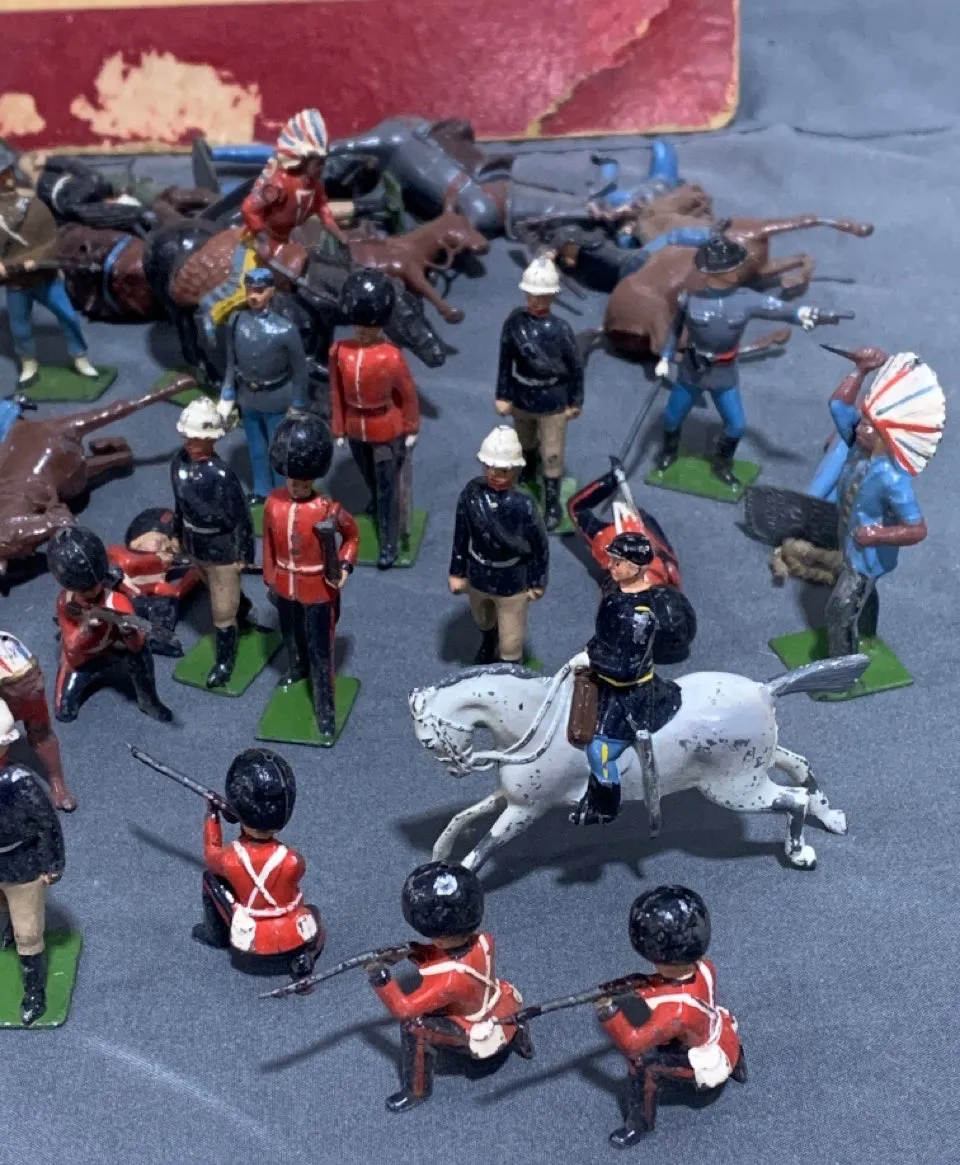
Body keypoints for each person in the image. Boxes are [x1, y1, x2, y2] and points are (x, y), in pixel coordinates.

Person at [654, 223, 834, 486]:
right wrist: (665, 356)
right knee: (672, 417)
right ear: (715, 273)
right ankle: (668, 453)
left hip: (723, 372)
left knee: (736, 424)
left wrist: (802, 314)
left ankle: (722, 464)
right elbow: (675, 329)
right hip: (692, 369)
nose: (737, 271)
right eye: (731, 268)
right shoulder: (689, 299)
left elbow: (778, 308)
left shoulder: (746, 298)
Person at [367, 861, 531, 1112]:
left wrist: (380, 978)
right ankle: (521, 1039)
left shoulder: (449, 981)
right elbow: (446, 954)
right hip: (495, 1003)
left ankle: (416, 1090)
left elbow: (403, 1009)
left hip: (472, 1026)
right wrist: (413, 951)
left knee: (413, 1027)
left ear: (439, 937)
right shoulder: (485, 940)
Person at [595, 886, 744, 1148]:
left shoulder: (677, 1012)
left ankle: (640, 1122)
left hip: (702, 1057)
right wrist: (633, 988)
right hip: (714, 1028)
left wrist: (608, 1012)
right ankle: (740, 1064)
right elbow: (663, 988)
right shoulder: (705, 966)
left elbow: (632, 1042)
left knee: (642, 1063)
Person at [821, 347, 944, 657]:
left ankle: (843, 669)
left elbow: (917, 529)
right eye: (864, 421)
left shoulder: (893, 480)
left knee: (840, 610)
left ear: (887, 437)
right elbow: (838, 405)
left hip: (868, 555)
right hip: (849, 540)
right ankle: (867, 635)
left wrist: (878, 534)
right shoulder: (858, 446)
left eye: (869, 426)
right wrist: (860, 371)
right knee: (863, 594)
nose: (859, 427)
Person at [571, 532, 681, 827]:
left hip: (627, 695)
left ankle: (607, 806)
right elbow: (604, 635)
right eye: (612, 560)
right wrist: (591, 649)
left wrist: (591, 659)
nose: (611, 566)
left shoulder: (641, 617)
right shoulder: (614, 592)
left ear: (636, 567)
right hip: (602, 675)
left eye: (618, 562)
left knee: (599, 752)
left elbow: (626, 670)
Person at [262, 413, 359, 737]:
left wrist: (344, 566)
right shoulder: (273, 504)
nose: (298, 486)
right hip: (285, 584)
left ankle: (325, 707)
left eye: (304, 482)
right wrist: (269, 577)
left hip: (317, 588)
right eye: (294, 481)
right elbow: (269, 544)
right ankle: (296, 667)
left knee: (321, 651)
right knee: (291, 636)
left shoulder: (327, 509)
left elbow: (352, 536)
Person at [195, 748, 324, 980]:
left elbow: (211, 855)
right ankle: (307, 958)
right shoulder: (293, 860)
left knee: (209, 879)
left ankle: (215, 935)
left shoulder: (230, 859)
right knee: (314, 916)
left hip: (252, 931)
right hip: (291, 929)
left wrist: (213, 815)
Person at [329, 269, 419, 569]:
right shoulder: (340, 351)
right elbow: (336, 392)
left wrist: (411, 426)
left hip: (385, 427)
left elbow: (407, 393)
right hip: (355, 425)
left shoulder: (391, 356)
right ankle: (376, 504)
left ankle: (388, 542)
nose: (362, 330)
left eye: (369, 325)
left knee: (387, 488)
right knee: (368, 475)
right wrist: (338, 427)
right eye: (359, 324)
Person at [568, 459, 696, 664]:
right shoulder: (612, 547)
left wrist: (612, 479)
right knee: (576, 509)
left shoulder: (662, 571)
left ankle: (612, 480)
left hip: (643, 537)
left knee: (577, 509)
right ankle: (612, 481)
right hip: (633, 536)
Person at [170, 397, 256, 688]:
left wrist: (244, 553)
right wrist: (176, 534)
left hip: (222, 548)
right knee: (210, 585)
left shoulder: (221, 475)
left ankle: (224, 662)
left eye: (198, 439)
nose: (191, 444)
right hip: (194, 543)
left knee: (221, 610)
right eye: (188, 437)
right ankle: (243, 609)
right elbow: (180, 505)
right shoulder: (179, 464)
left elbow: (241, 517)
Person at [48, 526, 172, 724]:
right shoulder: (66, 603)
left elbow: (136, 645)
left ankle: (149, 701)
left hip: (114, 648)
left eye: (97, 583)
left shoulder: (116, 599)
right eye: (85, 589)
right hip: (82, 661)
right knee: (64, 712)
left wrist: (129, 633)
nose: (94, 591)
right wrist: (88, 628)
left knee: (141, 655)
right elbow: (71, 647)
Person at [496, 254, 584, 529]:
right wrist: (502, 394)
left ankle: (552, 501)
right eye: (532, 294)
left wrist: (575, 400)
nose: (536, 301)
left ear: (552, 297)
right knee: (524, 444)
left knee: (552, 454)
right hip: (522, 396)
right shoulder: (515, 324)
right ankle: (527, 474)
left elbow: (575, 367)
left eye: (542, 296)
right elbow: (505, 362)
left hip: (552, 400)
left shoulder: (561, 329)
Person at [449, 426, 549, 664]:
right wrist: (457, 572)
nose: (494, 474)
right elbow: (461, 535)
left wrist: (537, 580)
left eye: (502, 469)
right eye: (489, 467)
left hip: (512, 578)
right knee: (482, 618)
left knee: (511, 640)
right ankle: (487, 644)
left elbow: (539, 544)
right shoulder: (471, 494)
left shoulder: (523, 503)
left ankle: (509, 669)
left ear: (514, 469)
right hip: (478, 572)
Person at [0, 145, 99, 386]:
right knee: (20, 328)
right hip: (15, 283)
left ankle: (80, 357)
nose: (5, 180)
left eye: (5, 174)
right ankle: (28, 363)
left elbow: (52, 241)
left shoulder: (33, 206)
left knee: (68, 317)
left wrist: (34, 260)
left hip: (45, 278)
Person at [216, 267, 309, 503]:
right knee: (256, 448)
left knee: (279, 449)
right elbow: (231, 362)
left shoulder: (286, 329)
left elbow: (300, 370)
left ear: (271, 291)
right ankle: (261, 489)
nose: (254, 296)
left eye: (259, 291)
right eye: (250, 290)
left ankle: (282, 491)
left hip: (277, 397)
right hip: (248, 397)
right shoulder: (236, 321)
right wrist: (227, 392)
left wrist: (298, 403)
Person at [0, 709, 66, 1026]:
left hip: (21, 865)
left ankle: (34, 993)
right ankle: (7, 928)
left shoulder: (20, 784)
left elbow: (47, 824)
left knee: (28, 931)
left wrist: (54, 864)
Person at [240, 108, 346, 260]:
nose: (322, 166)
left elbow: (324, 211)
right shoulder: (278, 185)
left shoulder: (315, 188)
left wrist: (338, 234)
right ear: (303, 159)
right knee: (257, 272)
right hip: (260, 241)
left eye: (323, 161)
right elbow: (249, 208)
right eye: (317, 161)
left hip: (288, 241)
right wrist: (262, 238)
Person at [108, 507, 202, 659]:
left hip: (131, 605)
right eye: (160, 542)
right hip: (110, 601)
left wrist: (196, 572)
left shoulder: (158, 576)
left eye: (169, 549)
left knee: (165, 604)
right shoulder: (121, 556)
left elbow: (174, 592)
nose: (164, 550)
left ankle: (155, 638)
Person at [0, 631, 74, 811]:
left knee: (41, 731)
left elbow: (43, 736)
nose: (40, 686)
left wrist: (56, 780)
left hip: (18, 697)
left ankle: (57, 784)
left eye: (37, 675)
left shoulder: (33, 693)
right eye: (26, 684)